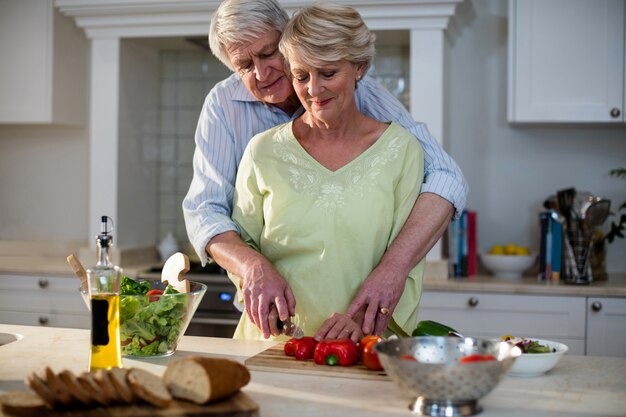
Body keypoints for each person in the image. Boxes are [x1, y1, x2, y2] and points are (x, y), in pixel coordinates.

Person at [183, 0, 468, 339]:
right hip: (275, 334)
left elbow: (446, 175)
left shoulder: (379, 115)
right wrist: (253, 266)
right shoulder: (236, 122)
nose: (262, 73)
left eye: (269, 53)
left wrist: (392, 271)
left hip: (361, 336)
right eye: (244, 64)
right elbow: (205, 212)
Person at [227, 2, 424, 341]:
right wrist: (260, 293)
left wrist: (362, 323)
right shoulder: (263, 150)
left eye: (328, 73)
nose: (313, 91)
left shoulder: (401, 151)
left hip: (362, 345)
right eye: (301, 76)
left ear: (359, 67)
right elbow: (244, 248)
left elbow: (405, 264)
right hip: (271, 344)